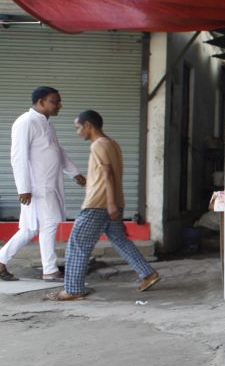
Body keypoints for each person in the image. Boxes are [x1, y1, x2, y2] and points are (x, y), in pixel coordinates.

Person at [45, 110, 160, 300]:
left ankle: (73, 290)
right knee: (120, 240)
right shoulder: (113, 144)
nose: (77, 132)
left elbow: (107, 174)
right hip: (110, 202)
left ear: (88, 125)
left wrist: (110, 203)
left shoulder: (98, 145)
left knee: (77, 244)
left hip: (98, 204)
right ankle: (148, 274)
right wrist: (113, 203)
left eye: (78, 127)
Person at [0, 86, 85, 281]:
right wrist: (24, 188)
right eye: (55, 101)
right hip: (37, 187)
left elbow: (57, 151)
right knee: (49, 224)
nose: (59, 105)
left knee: (30, 228)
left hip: (48, 184)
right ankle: (50, 270)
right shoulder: (25, 122)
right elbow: (18, 157)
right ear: (40, 102)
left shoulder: (46, 123)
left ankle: (1, 261)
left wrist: (74, 173)